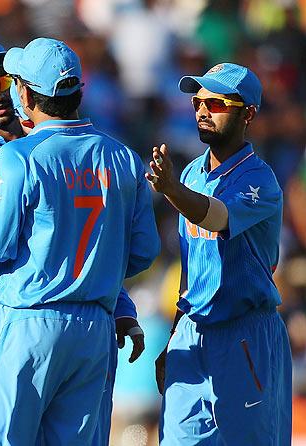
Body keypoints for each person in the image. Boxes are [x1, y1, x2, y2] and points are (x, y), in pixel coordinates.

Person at [0, 38, 160, 444]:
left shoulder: (19, 156)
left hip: (24, 319)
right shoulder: (122, 156)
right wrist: (96, 282)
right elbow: (139, 251)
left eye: (2, 80)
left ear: (22, 90)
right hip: (84, 326)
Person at [149, 63, 292, 445]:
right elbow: (191, 265)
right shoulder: (192, 174)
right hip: (192, 333)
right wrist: (175, 334)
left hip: (244, 334)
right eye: (198, 101)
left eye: (217, 102)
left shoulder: (259, 179)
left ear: (248, 114)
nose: (202, 110)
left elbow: (216, 217)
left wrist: (171, 190)